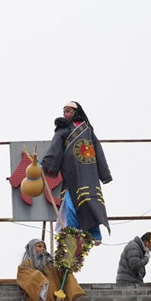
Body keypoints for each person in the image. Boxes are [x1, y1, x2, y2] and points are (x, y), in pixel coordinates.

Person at [42, 101, 112, 243]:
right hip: (71, 174)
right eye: (64, 111)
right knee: (70, 205)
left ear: (76, 112)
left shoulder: (88, 130)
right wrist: (46, 165)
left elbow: (98, 151)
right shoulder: (63, 130)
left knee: (91, 202)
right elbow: (55, 149)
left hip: (89, 174)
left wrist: (104, 174)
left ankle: (94, 233)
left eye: (68, 111)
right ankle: (72, 234)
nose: (65, 114)